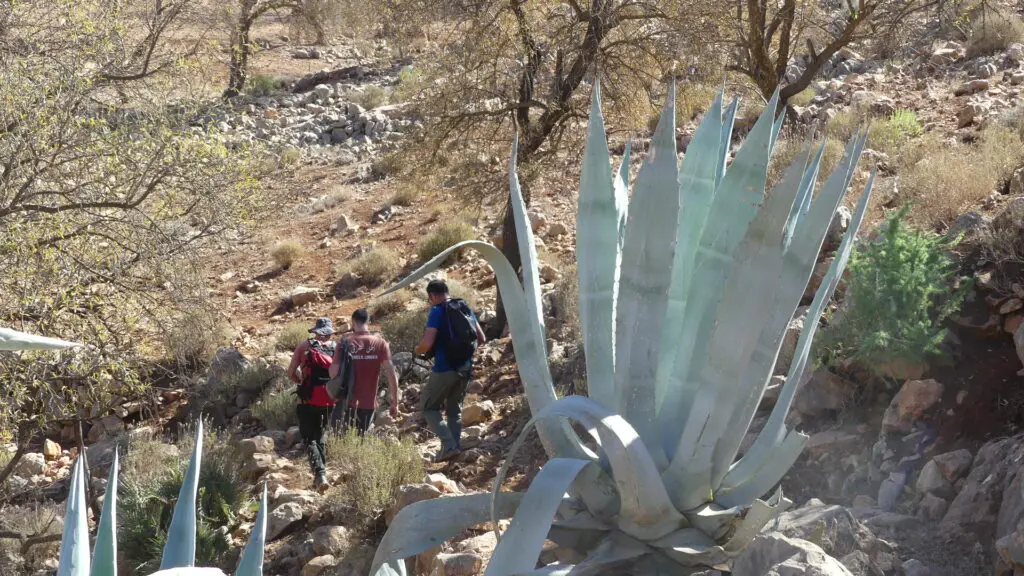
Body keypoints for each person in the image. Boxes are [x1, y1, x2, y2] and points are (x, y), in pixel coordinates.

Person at [414, 279, 486, 462]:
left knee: (429, 407)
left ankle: (449, 445)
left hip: (444, 368)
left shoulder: (437, 311)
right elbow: (481, 338)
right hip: (465, 367)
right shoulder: (463, 307)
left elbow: (427, 343)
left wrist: (418, 350)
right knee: (454, 409)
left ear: (432, 296)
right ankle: (454, 449)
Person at [329, 308, 400, 435]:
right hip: (368, 404)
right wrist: (395, 402)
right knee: (361, 440)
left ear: (353, 322)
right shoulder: (380, 343)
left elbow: (333, 373)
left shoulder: (344, 342)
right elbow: (391, 372)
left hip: (346, 402)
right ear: (368, 322)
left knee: (341, 439)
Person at [285, 317, 336, 492]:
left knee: (309, 437)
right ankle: (321, 474)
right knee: (320, 434)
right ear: (330, 332)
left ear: (315, 331)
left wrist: (302, 383)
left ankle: (320, 473)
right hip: (329, 399)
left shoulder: (303, 346)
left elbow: (290, 373)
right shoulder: (336, 348)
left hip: (306, 400)